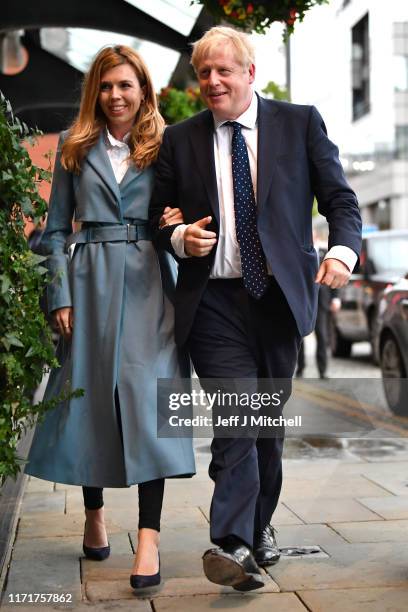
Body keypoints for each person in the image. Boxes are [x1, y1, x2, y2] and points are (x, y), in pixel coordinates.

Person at [149, 26, 361, 592]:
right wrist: (179, 240)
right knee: (238, 418)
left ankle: (259, 526)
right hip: (214, 301)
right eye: (203, 74)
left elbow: (340, 198)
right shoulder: (181, 139)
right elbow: (158, 217)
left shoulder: (299, 123)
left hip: (279, 301)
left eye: (223, 71)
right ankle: (233, 543)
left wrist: (341, 252)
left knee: (264, 426)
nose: (212, 82)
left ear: (249, 72)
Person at [25, 45, 195, 590]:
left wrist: (178, 221)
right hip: (90, 281)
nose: (116, 95)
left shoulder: (168, 146)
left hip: (150, 282)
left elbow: (188, 212)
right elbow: (54, 232)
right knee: (90, 400)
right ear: (95, 93)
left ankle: (149, 540)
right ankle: (94, 513)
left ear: (143, 89)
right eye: (105, 86)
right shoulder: (76, 150)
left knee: (151, 406)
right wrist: (60, 295)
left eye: (125, 85)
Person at [297, 246, 341, 379]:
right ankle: (300, 368)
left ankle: (322, 371)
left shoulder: (325, 252)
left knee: (322, 335)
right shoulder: (298, 249)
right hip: (302, 299)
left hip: (322, 302)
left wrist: (335, 298)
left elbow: (334, 272)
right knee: (300, 336)